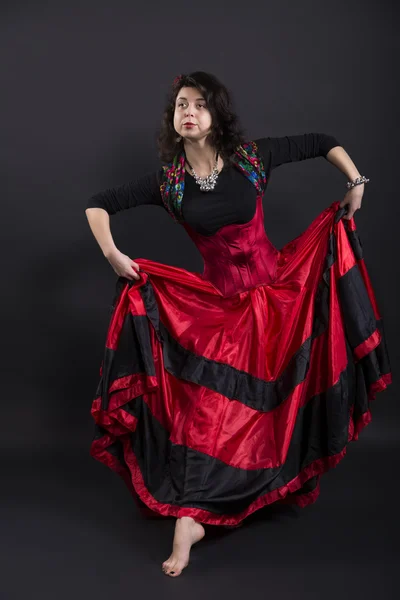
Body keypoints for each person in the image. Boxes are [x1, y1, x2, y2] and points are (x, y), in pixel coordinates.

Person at [85, 71, 392, 577]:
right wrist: (114, 255)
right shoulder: (170, 184)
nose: (189, 112)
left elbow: (323, 142)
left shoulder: (252, 158)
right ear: (174, 120)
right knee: (208, 416)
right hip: (221, 312)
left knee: (280, 403)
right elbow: (99, 205)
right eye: (181, 105)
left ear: (215, 115)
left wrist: (355, 184)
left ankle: (248, 493)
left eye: (200, 105)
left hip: (281, 299)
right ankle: (190, 519)